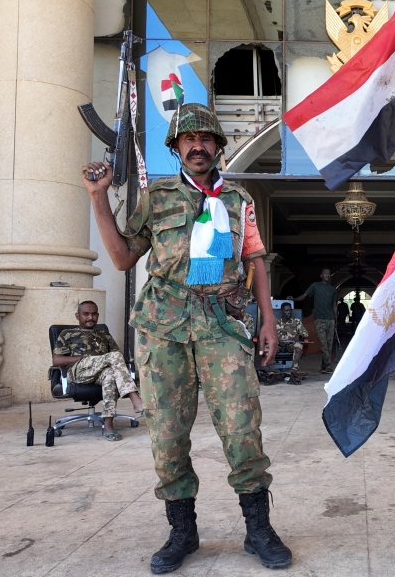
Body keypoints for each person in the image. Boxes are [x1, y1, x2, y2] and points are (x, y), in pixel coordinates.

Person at [82, 102, 290, 573]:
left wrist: (268, 320)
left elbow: (255, 260)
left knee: (242, 430)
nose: (198, 145)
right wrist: (98, 197)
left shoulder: (238, 200)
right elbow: (120, 259)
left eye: (206, 138)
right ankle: (183, 531)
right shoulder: (155, 198)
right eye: (188, 139)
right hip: (164, 328)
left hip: (221, 324)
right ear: (176, 147)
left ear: (218, 145)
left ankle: (258, 530)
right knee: (168, 434)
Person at [51, 301, 143, 441]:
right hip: (79, 372)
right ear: (78, 316)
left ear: (98, 315)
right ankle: (134, 397)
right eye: (86, 314)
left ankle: (108, 425)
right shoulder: (67, 334)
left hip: (101, 372)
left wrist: (102, 362)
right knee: (113, 357)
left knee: (110, 376)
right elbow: (56, 360)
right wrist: (83, 358)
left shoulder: (103, 334)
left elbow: (118, 358)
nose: (90, 317)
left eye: (94, 314)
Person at [294, 269, 338, 373]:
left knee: (329, 345)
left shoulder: (333, 289)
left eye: (328, 273)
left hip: (330, 319)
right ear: (321, 275)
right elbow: (304, 296)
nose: (327, 275)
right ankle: (329, 367)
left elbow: (334, 306)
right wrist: (293, 299)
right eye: (325, 273)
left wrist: (336, 320)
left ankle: (324, 367)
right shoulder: (315, 286)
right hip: (319, 320)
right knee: (323, 345)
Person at [265, 302, 309, 385]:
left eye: (290, 310)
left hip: (291, 345)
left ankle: (292, 374)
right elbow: (268, 333)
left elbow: (305, 333)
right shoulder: (275, 322)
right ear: (282, 311)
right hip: (278, 345)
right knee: (267, 348)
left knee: (299, 346)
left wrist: (299, 335)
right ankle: (272, 375)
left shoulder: (296, 322)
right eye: (286, 310)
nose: (289, 312)